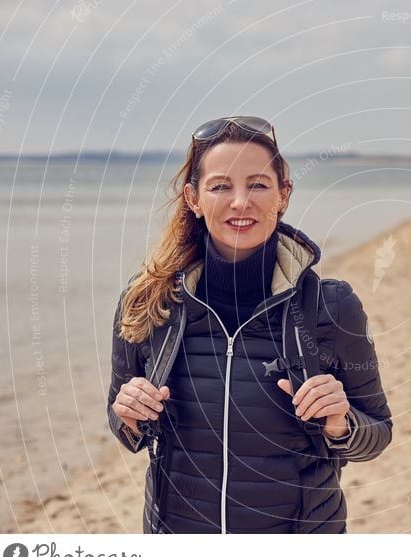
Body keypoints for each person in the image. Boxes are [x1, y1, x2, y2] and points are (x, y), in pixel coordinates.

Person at [106, 116, 393, 534]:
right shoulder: (149, 301)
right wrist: (129, 414)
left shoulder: (331, 306)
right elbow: (124, 426)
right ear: (193, 199)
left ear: (283, 195)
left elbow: (378, 432)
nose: (241, 201)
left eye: (258, 184)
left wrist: (341, 421)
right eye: (221, 186)